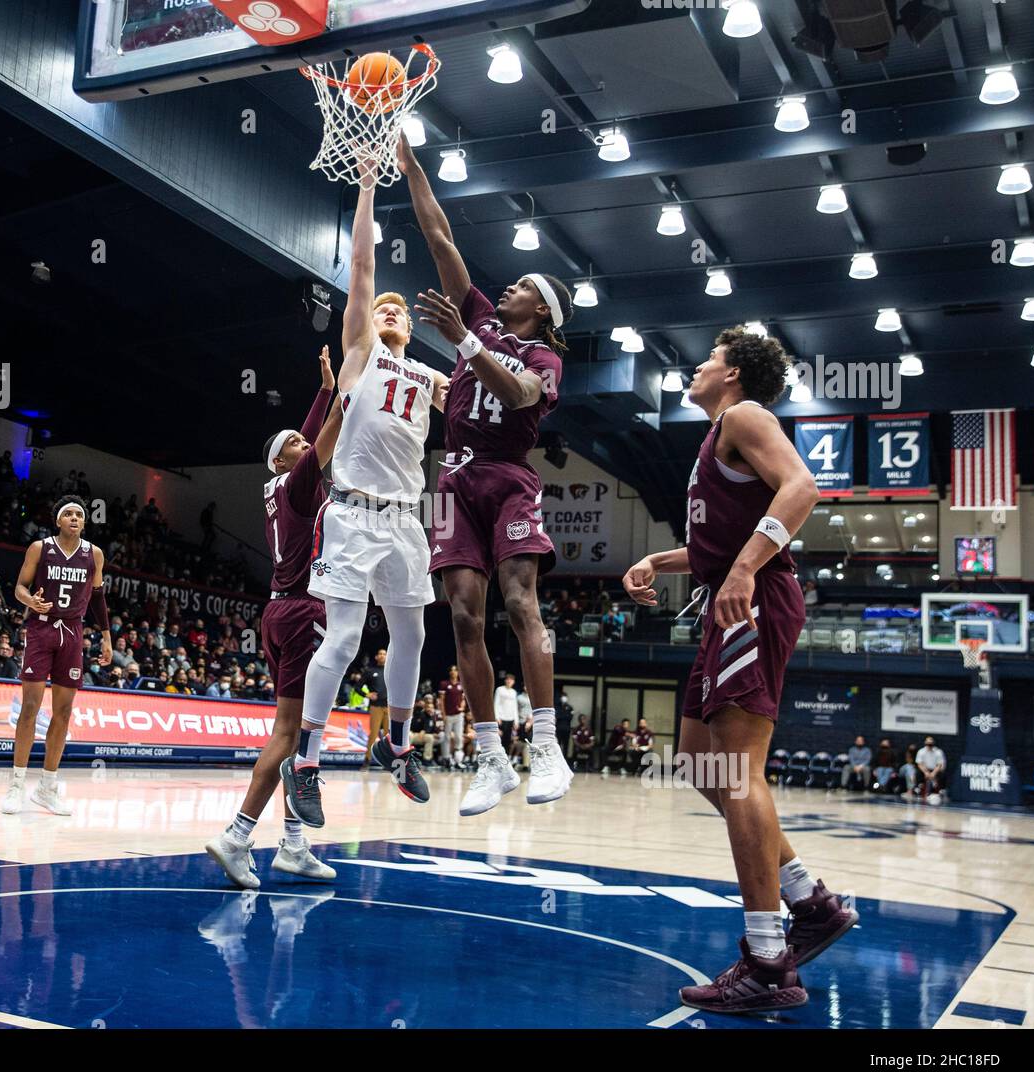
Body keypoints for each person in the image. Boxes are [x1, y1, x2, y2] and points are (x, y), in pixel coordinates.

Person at [624, 325, 857, 1015]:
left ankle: (766, 959)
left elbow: (802, 487)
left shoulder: (745, 415)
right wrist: (659, 562)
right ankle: (809, 902)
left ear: (732, 375)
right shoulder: (714, 439)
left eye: (708, 359)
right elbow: (717, 541)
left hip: (753, 601)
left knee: (740, 768)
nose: (696, 367)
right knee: (703, 765)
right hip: (726, 599)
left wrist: (748, 569)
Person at [400, 133, 573, 817]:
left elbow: (521, 396)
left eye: (525, 286)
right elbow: (441, 237)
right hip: (454, 480)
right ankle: (491, 756)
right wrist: (413, 169)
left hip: (507, 478)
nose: (510, 285)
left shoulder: (542, 357)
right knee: (465, 617)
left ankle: (549, 747)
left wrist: (468, 346)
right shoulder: (481, 318)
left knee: (521, 602)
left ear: (543, 312)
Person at [288, 163, 449, 818]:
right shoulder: (361, 352)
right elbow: (361, 267)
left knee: (411, 637)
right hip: (352, 514)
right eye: (385, 306)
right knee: (345, 639)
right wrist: (366, 186)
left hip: (406, 520)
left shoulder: (428, 375)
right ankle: (307, 760)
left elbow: (484, 391)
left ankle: (399, 744)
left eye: (400, 312)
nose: (390, 310)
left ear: (411, 331)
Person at [207, 349, 346, 888]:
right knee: (290, 734)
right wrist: (360, 378)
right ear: (282, 462)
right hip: (304, 610)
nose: (302, 443)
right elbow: (326, 435)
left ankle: (293, 845)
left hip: (277, 609)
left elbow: (310, 435)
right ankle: (237, 835)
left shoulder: (278, 484)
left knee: (304, 734)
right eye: (292, 443)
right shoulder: (299, 483)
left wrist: (324, 387)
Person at [2, 495, 113, 815]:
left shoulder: (94, 554)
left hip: (74, 632)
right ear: (58, 521)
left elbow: (98, 598)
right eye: (69, 514)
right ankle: (16, 785)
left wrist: (106, 637)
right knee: (30, 708)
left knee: (63, 712)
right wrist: (30, 602)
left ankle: (47, 788)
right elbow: (20, 587)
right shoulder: (40, 548)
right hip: (41, 629)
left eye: (80, 514)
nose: (75, 518)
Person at [362, 647, 389, 767]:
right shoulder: (370, 671)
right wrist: (367, 694)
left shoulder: (391, 671)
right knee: (373, 734)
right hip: (376, 707)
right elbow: (357, 687)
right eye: (380, 654)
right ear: (377, 657)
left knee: (389, 736)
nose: (382, 655)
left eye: (384, 654)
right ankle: (367, 761)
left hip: (389, 707)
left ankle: (388, 762)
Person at [437, 665, 466, 769]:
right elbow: (441, 701)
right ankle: (446, 758)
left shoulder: (461, 685)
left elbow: (463, 698)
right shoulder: (444, 684)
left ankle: (458, 760)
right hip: (448, 715)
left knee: (458, 736)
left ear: (458, 672)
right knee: (447, 737)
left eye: (455, 670)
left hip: (458, 715)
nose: (454, 672)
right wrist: (443, 715)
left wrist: (462, 706)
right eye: (452, 670)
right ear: (449, 673)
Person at [493, 673, 519, 761]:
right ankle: (497, 757)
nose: (509, 681)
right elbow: (496, 703)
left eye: (511, 680)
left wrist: (516, 721)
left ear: (514, 682)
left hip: (510, 718)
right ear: (505, 680)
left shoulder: (514, 692)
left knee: (507, 740)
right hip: (501, 718)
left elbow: (515, 707)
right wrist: (497, 717)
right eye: (508, 679)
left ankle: (505, 758)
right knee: (498, 738)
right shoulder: (499, 690)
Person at [915, 736, 946, 803]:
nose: (929, 746)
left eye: (930, 744)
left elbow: (939, 765)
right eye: (927, 744)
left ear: (933, 744)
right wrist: (926, 772)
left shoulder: (938, 752)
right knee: (918, 773)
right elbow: (919, 764)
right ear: (925, 743)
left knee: (942, 774)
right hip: (925, 769)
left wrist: (933, 773)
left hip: (935, 769)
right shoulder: (921, 751)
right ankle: (918, 788)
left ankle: (940, 790)